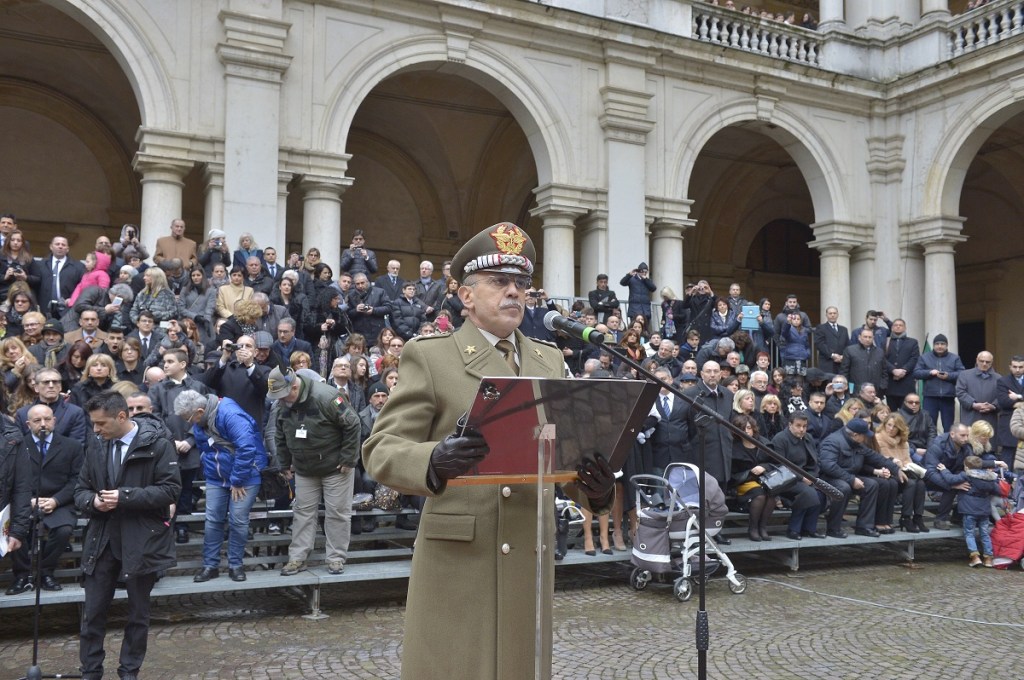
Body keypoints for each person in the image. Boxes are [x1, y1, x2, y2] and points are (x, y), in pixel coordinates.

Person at [362, 222, 614, 680]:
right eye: (499, 282)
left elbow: (558, 453)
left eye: (521, 283)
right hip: (462, 556)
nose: (514, 292)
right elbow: (380, 448)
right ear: (466, 295)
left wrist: (592, 490)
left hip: (530, 553)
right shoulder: (431, 356)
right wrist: (434, 459)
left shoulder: (549, 359)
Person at [75, 391, 180, 680]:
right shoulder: (96, 445)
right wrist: (93, 502)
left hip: (141, 540)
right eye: (93, 423)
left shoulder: (158, 444)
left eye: (101, 423)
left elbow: (171, 491)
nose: (96, 429)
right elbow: (80, 490)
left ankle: (129, 671)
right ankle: (90, 671)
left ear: (121, 417)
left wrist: (125, 496)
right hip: (102, 540)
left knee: (138, 614)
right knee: (93, 612)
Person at [270, 366, 361, 576]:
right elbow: (280, 435)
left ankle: (336, 558)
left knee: (337, 513)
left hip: (335, 467)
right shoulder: (282, 405)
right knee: (302, 513)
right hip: (304, 468)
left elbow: (353, 424)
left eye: (282, 395)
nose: (280, 400)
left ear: (294, 387)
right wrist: (284, 464)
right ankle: (297, 558)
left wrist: (348, 458)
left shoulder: (327, 397)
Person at [174, 390, 266, 582]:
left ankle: (235, 565)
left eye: (188, 419)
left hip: (245, 476)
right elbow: (207, 449)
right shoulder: (202, 419)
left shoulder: (230, 414)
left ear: (200, 411)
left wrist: (237, 480)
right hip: (216, 476)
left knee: (238, 521)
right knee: (212, 521)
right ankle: (210, 565)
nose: (189, 423)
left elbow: (246, 448)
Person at [6, 404, 83, 594]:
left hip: (60, 502)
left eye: (47, 419)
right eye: (37, 420)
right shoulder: (16, 446)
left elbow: (77, 479)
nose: (43, 424)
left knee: (64, 530)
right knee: (15, 529)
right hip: (25, 501)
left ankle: (45, 572)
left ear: (54, 421)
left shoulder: (72, 446)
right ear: (27, 424)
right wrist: (27, 500)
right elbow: (10, 479)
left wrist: (56, 500)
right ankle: (22, 575)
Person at [148, 349, 210, 543]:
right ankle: (165, 526)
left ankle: (183, 526)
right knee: (167, 488)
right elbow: (154, 417)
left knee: (186, 489)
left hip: (190, 448)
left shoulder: (198, 386)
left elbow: (204, 416)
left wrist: (190, 440)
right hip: (165, 447)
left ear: (182, 364)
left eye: (170, 361)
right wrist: (170, 440)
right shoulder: (157, 389)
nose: (165, 365)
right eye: (164, 361)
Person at [818, 418, 900, 538]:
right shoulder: (833, 441)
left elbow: (875, 457)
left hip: (849, 476)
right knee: (844, 488)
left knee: (872, 485)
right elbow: (828, 466)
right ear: (856, 435)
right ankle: (833, 528)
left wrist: (896, 469)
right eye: (864, 435)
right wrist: (851, 480)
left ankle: (864, 526)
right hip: (830, 477)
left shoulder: (856, 443)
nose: (866, 438)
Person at [771, 412, 828, 540]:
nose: (802, 429)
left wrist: (811, 477)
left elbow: (814, 462)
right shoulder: (780, 439)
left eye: (804, 426)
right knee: (808, 493)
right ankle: (793, 529)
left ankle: (809, 528)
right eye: (798, 426)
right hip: (785, 480)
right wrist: (802, 478)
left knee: (820, 493)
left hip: (806, 478)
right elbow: (780, 465)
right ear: (790, 425)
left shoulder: (808, 438)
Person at [874, 413, 929, 533]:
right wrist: (894, 462)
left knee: (920, 484)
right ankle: (906, 517)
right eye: (889, 425)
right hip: (887, 473)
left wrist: (906, 465)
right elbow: (878, 459)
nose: (891, 429)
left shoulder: (903, 442)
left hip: (903, 471)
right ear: (884, 424)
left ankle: (918, 517)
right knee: (910, 483)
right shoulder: (877, 438)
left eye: (894, 426)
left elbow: (907, 460)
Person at [729, 414, 777, 541]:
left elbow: (775, 463)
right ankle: (753, 528)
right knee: (760, 495)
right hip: (743, 482)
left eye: (749, 428)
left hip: (765, 479)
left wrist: (764, 467)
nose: (746, 431)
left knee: (771, 495)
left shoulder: (763, 443)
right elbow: (732, 473)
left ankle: (763, 527)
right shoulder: (733, 446)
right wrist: (749, 472)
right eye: (742, 428)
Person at [912, 333, 963, 431]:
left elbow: (962, 373)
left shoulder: (954, 358)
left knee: (948, 427)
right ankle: (931, 442)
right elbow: (916, 373)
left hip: (948, 397)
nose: (940, 346)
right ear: (933, 345)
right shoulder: (924, 357)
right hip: (930, 397)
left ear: (947, 345)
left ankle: (947, 442)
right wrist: (930, 372)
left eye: (942, 344)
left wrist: (948, 376)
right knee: (929, 426)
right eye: (937, 344)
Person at [959, 455, 1001, 567]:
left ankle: (975, 557)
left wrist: (944, 470)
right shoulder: (989, 478)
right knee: (985, 534)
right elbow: (998, 490)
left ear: (966, 467)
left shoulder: (966, 476)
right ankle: (988, 558)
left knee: (969, 533)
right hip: (984, 510)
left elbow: (951, 479)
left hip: (969, 509)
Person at [956, 350, 1001, 429]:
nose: (984, 364)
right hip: (970, 417)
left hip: (990, 419)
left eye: (987, 362)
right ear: (977, 360)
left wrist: (993, 406)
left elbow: (1002, 396)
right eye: (981, 361)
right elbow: (960, 392)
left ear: (991, 362)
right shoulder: (964, 375)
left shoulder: (998, 378)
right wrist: (973, 404)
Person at [883, 319, 920, 411]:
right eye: (896, 325)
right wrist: (893, 370)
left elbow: (914, 358)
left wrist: (904, 370)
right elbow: (882, 358)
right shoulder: (885, 342)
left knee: (908, 413)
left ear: (905, 328)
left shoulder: (913, 342)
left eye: (900, 325)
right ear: (892, 328)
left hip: (906, 383)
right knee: (892, 414)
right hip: (891, 384)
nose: (898, 327)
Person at [840, 326, 888, 395]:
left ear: (873, 338)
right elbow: (844, 371)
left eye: (870, 337)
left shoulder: (880, 352)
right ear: (859, 337)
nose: (867, 339)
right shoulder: (850, 350)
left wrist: (882, 387)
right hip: (855, 391)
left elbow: (884, 372)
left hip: (875, 392)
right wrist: (848, 390)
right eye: (865, 337)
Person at [995, 355, 1024, 467]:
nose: (1017, 370)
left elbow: (1010, 401)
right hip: (1008, 426)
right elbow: (1003, 402)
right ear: (1010, 367)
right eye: (1015, 367)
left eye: (1020, 367)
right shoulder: (1003, 381)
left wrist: (1018, 397)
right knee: (1007, 463)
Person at [813, 306, 850, 374]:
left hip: (841, 363)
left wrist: (843, 357)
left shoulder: (844, 329)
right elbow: (820, 344)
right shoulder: (821, 328)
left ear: (837, 314)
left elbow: (847, 345)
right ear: (826, 315)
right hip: (827, 363)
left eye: (834, 313)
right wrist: (832, 355)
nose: (832, 315)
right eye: (830, 313)